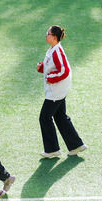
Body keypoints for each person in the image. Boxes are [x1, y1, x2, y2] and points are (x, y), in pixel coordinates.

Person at [37, 26, 86, 158]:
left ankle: (52, 149)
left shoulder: (56, 51)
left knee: (44, 117)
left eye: (48, 33)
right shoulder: (53, 49)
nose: (46, 35)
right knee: (60, 117)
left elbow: (64, 70)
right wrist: (42, 67)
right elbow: (53, 66)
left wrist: (50, 78)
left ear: (54, 37)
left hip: (56, 91)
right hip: (58, 90)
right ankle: (76, 145)